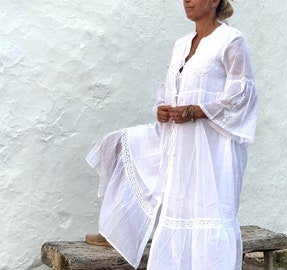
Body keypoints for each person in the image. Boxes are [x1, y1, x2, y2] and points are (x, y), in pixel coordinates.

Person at [85, 0, 257, 269]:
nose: (186, 1)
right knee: (117, 143)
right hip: (176, 139)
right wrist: (160, 109)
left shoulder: (231, 40)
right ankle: (120, 229)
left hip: (211, 146)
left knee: (205, 208)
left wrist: (197, 111)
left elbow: (242, 95)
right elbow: (167, 89)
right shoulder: (181, 44)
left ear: (214, 2)